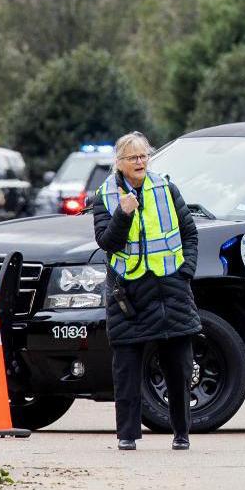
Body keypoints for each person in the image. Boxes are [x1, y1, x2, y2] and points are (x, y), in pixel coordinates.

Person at [92, 131, 201, 451]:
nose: (139, 162)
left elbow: (189, 233)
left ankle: (182, 433)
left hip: (171, 290)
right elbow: (107, 244)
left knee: (179, 368)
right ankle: (127, 435)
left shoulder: (166, 188)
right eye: (132, 158)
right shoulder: (105, 196)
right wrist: (123, 215)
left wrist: (186, 273)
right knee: (126, 369)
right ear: (119, 163)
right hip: (129, 294)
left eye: (143, 156)